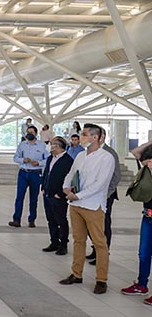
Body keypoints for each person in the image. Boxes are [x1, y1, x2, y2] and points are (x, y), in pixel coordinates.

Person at [59, 124, 115, 295]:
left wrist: (79, 195)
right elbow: (71, 173)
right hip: (76, 205)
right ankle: (77, 274)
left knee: (99, 243)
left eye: (84, 135)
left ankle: (101, 279)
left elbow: (100, 184)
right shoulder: (81, 155)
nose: (81, 137)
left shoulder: (106, 158)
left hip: (93, 205)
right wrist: (66, 188)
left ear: (95, 137)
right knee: (78, 240)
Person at [121, 143, 152, 305]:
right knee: (144, 254)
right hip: (148, 218)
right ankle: (141, 285)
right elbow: (135, 152)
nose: (148, 165)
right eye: (148, 162)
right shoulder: (147, 170)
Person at [87, 127, 121, 266]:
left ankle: (103, 253)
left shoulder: (110, 153)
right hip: (91, 195)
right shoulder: (91, 152)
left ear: (101, 137)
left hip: (105, 196)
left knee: (104, 224)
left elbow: (116, 175)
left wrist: (107, 193)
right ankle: (95, 249)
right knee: (92, 224)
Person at [9, 125, 48, 228]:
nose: (29, 134)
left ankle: (32, 220)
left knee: (33, 198)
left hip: (35, 173)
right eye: (28, 132)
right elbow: (15, 158)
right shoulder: (22, 145)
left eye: (32, 132)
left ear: (36, 134)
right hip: (23, 173)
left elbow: (48, 160)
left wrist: (38, 163)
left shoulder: (42, 145)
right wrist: (22, 160)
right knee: (19, 197)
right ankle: (16, 219)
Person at [41, 137, 74, 255]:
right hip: (48, 194)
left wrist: (60, 194)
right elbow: (46, 174)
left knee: (61, 220)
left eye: (51, 144)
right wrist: (43, 188)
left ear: (57, 146)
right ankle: (54, 242)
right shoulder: (50, 158)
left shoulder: (68, 160)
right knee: (51, 219)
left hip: (58, 196)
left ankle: (63, 244)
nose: (49, 146)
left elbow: (69, 179)